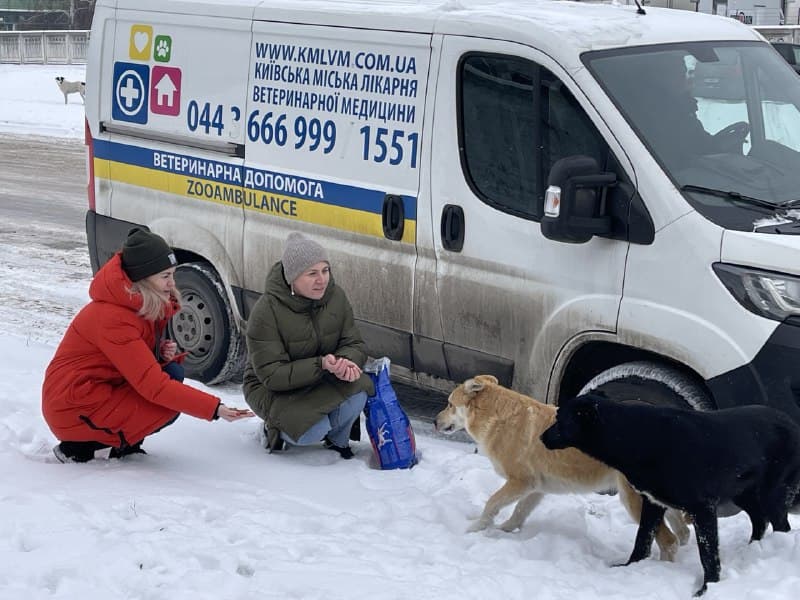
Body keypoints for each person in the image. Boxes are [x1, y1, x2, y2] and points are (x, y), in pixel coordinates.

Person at [42, 227, 254, 463]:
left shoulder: (134, 305)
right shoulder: (114, 318)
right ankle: (77, 449)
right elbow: (153, 386)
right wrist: (215, 409)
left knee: (172, 371)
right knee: (167, 404)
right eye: (165, 276)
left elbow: (127, 362)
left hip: (95, 391)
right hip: (75, 407)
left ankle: (119, 442)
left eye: (172, 274)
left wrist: (158, 353)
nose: (172, 283)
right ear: (142, 278)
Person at [242, 232, 375, 459]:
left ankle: (337, 440)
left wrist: (346, 361)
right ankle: (273, 430)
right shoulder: (266, 311)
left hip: (321, 375)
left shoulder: (336, 297)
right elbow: (272, 374)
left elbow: (353, 342)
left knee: (359, 391)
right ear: (292, 278)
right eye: (312, 273)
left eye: (325, 270)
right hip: (273, 387)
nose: (321, 279)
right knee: (312, 430)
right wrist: (321, 364)